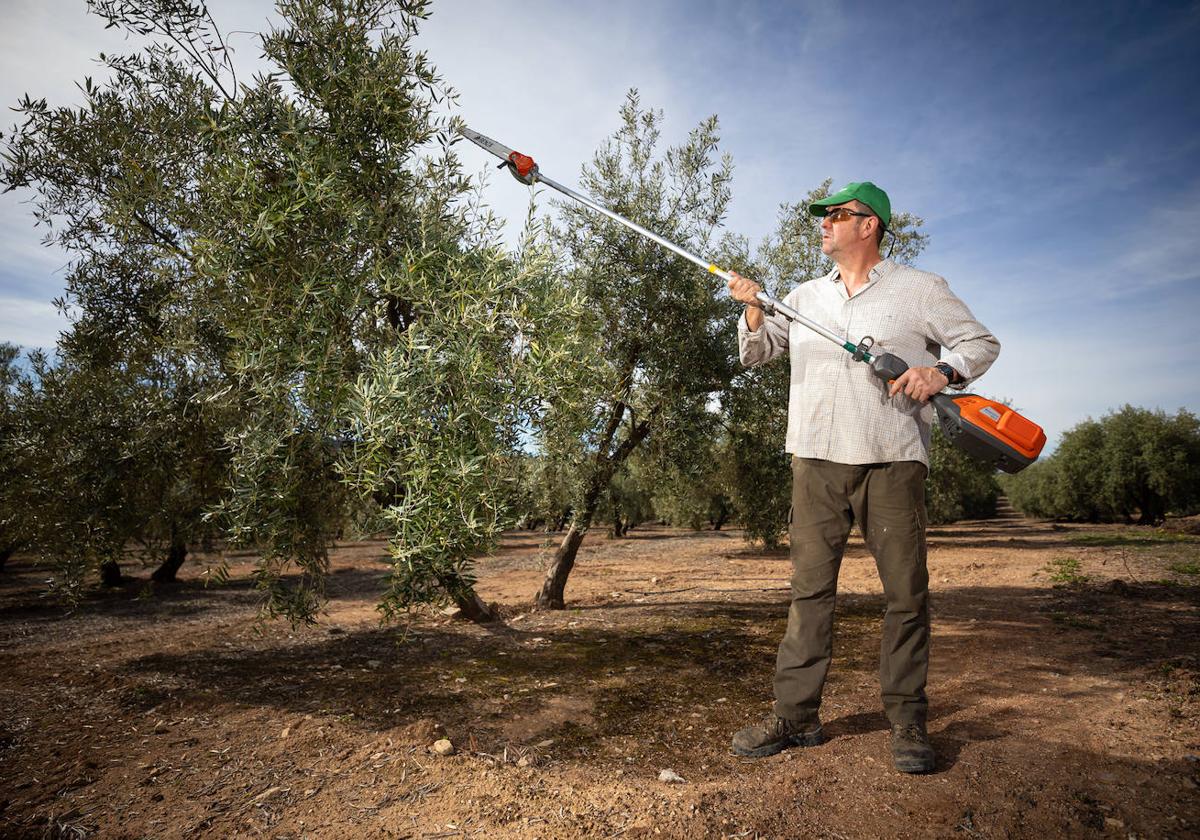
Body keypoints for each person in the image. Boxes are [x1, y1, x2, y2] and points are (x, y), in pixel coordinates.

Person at [726, 181, 999, 774]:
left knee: (905, 595)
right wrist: (753, 309)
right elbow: (759, 353)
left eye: (835, 215)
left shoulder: (919, 289)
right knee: (809, 593)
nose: (823, 224)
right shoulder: (801, 297)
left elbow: (980, 342)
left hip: (892, 458)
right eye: (822, 217)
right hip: (817, 459)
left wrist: (941, 371)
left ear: (868, 224)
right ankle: (796, 717)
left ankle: (907, 720)